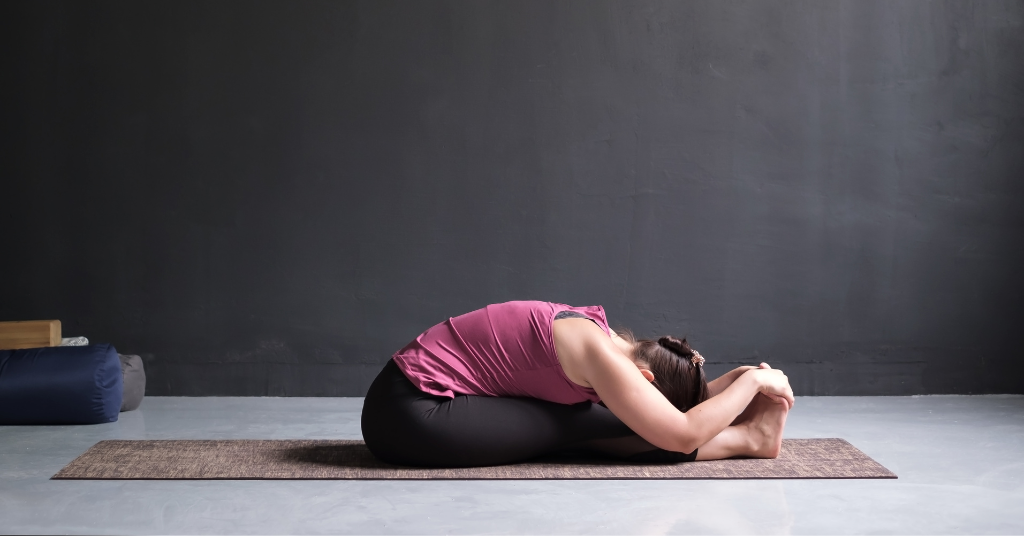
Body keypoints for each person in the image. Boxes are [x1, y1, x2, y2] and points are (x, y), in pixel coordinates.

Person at [361, 300, 794, 467]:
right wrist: (754, 380)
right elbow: (680, 435)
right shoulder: (599, 356)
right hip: (410, 414)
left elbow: (668, 418)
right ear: (644, 378)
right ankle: (749, 439)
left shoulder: (602, 337)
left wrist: (729, 385)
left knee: (591, 422)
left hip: (404, 402)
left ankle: (750, 435)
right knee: (586, 423)